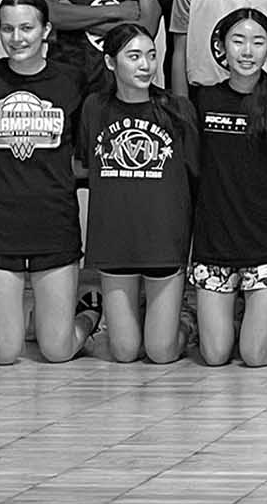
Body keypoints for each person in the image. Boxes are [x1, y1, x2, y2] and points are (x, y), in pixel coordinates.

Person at [0, 0, 96, 365]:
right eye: (8, 28)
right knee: (4, 353)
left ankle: (89, 312)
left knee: (56, 351)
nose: (17, 38)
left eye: (26, 27)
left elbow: (82, 145)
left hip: (53, 217)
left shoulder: (71, 80)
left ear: (46, 30)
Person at [189, 9, 267, 367]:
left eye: (258, 42)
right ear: (221, 46)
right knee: (216, 355)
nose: (247, 51)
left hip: (265, 244)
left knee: (255, 356)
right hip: (214, 244)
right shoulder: (202, 100)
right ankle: (236, 322)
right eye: (238, 41)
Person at [81, 23, 196, 365]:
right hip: (115, 239)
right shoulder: (93, 107)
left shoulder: (177, 109)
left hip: (163, 240)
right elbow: (86, 164)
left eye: (150, 55)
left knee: (161, 352)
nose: (146, 65)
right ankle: (92, 315)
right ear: (111, 62)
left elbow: (195, 174)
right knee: (125, 352)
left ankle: (187, 320)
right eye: (133, 57)